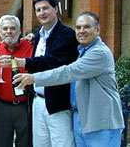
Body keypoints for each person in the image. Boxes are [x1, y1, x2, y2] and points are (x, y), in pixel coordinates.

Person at [13, 11, 124, 147]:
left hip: (101, 122)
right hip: (81, 118)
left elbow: (69, 72)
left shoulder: (99, 53)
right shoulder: (82, 51)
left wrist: (34, 78)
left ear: (98, 30)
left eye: (87, 27)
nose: (82, 31)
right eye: (78, 27)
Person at [14, 0, 79, 147]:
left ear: (55, 9)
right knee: (40, 144)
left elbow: (52, 61)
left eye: (45, 8)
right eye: (38, 10)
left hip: (57, 102)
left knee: (62, 143)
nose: (41, 13)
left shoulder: (67, 35)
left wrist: (24, 62)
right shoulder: (38, 35)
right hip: (37, 101)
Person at [0, 15, 33, 147]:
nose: (9, 31)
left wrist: (33, 36)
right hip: (2, 106)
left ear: (20, 31)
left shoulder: (31, 46)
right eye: (5, 28)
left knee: (25, 143)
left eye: (13, 28)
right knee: (1, 143)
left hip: (25, 106)